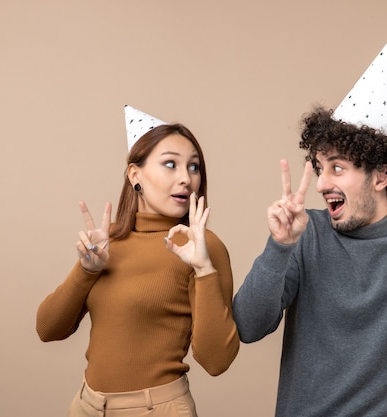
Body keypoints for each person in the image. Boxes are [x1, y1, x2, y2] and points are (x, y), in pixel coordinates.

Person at [232, 36, 387, 417]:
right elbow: (248, 327)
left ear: (380, 176)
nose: (323, 182)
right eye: (320, 167)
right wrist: (278, 247)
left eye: (338, 167)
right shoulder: (305, 233)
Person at [36, 106, 239, 417]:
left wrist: (203, 268)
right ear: (135, 175)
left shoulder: (201, 246)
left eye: (194, 167)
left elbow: (217, 361)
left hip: (156, 409)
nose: (186, 178)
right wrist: (86, 270)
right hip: (87, 406)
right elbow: (48, 329)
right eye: (170, 164)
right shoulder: (108, 243)